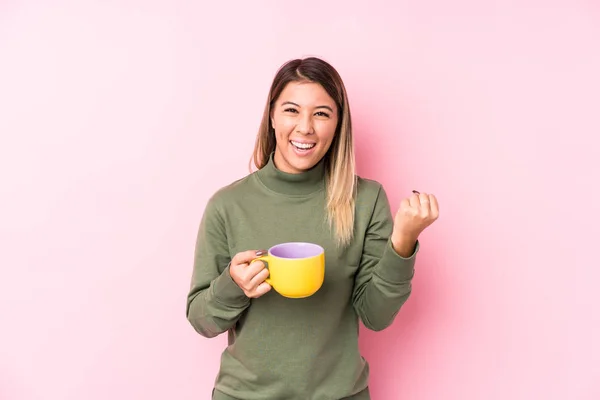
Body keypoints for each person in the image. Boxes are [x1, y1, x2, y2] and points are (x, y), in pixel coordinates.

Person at [186, 56, 439, 400]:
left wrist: (403, 242)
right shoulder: (228, 205)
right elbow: (202, 320)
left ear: (337, 124)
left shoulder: (366, 199)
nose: (305, 127)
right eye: (292, 110)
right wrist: (233, 285)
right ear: (272, 116)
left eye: (321, 113)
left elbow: (376, 315)